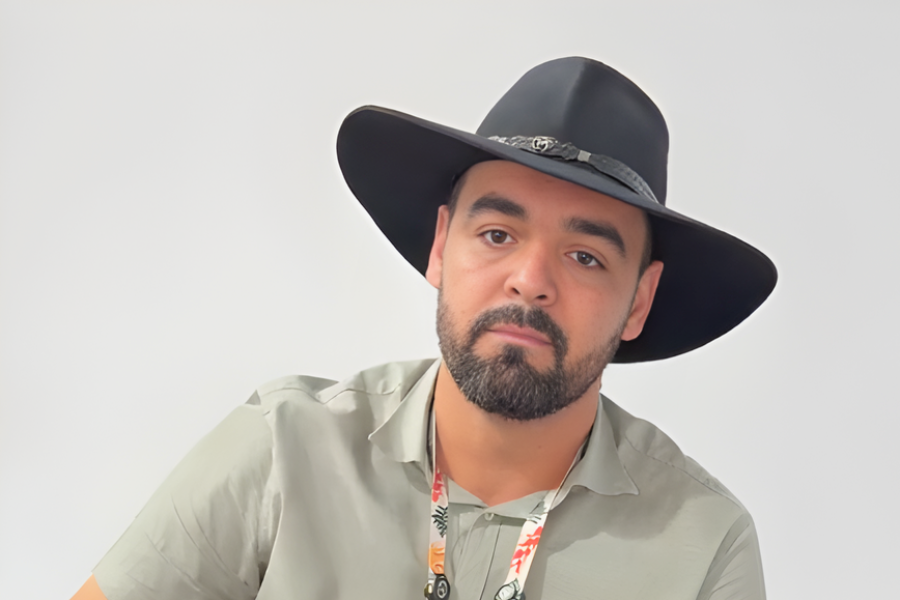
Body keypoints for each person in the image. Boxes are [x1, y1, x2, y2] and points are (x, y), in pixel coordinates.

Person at [72, 57, 776, 600]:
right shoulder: (284, 450)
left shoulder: (704, 546)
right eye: (498, 234)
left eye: (585, 256)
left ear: (639, 301)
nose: (530, 280)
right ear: (441, 247)